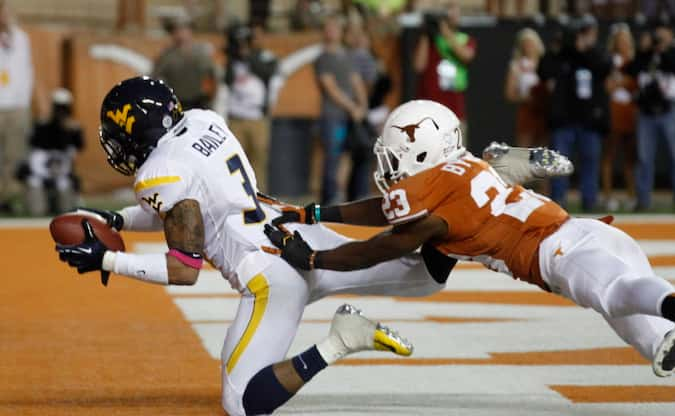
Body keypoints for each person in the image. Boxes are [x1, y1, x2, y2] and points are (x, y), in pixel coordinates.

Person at [264, 99, 675, 416]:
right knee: (650, 344)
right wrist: (315, 213)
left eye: (399, 154)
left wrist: (316, 261)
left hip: (560, 249)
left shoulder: (436, 197)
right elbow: (390, 219)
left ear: (426, 152)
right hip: (592, 238)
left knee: (616, 299)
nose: (390, 166)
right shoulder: (462, 171)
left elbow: (390, 241)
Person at [52, 77, 562, 416]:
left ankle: (339, 341)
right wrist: (115, 219)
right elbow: (185, 205)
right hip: (290, 228)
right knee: (421, 274)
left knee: (242, 402)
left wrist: (105, 258)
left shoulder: (157, 173)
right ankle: (489, 170)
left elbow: (184, 267)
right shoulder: (206, 122)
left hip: (270, 273)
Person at [538, 15, 610, 211]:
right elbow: (544, 70)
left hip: (589, 120)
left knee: (590, 162)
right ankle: (558, 202)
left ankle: (590, 201)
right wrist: (561, 47)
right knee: (559, 165)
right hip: (564, 120)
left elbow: (605, 67)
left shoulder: (595, 53)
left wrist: (587, 49)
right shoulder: (561, 55)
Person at [629, 20, 675, 212]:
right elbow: (633, 69)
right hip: (647, 112)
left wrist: (662, 48)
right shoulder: (648, 54)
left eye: (663, 33)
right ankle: (643, 200)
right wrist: (644, 50)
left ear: (671, 33)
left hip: (670, 109)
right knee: (644, 158)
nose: (659, 37)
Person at [315, 14, 370, 204]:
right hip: (334, 116)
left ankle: (352, 195)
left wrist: (362, 106)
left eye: (335, 28)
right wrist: (352, 106)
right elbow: (330, 88)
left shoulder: (348, 56)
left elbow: (357, 81)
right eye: (328, 28)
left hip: (351, 117)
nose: (331, 31)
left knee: (352, 155)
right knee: (333, 156)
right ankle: (331, 197)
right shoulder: (323, 58)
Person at [224, 23, 280, 194]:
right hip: (236, 117)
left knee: (258, 162)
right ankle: (235, 197)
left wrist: (248, 56)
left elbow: (266, 72)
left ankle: (260, 197)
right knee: (234, 162)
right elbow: (227, 80)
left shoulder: (266, 57)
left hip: (257, 117)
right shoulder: (233, 60)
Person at [413, 1, 476, 139]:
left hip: (453, 108)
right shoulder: (429, 40)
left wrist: (445, 31)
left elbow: (466, 55)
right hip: (428, 109)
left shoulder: (464, 39)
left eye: (454, 11)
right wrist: (425, 33)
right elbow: (419, 66)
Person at [23, 89, 83, 216]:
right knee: (37, 209)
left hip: (61, 173)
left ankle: (59, 204)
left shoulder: (73, 129)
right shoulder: (42, 126)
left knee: (66, 210)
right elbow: (34, 144)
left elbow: (78, 148)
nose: (61, 112)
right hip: (40, 172)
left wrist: (71, 132)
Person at [0, 0, 33, 213]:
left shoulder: (21, 38)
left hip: (17, 105)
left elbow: (27, 70)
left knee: (14, 155)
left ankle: (8, 198)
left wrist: (25, 100)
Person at [601, 23, 637, 212]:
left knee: (630, 157)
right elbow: (607, 86)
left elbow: (636, 85)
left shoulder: (634, 60)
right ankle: (608, 196)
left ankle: (632, 195)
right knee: (609, 155)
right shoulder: (609, 61)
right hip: (613, 112)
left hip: (630, 112)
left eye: (625, 40)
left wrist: (623, 82)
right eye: (619, 40)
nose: (623, 43)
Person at [152, 16, 216, 110]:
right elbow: (154, 78)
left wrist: (212, 100)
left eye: (183, 29)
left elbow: (215, 77)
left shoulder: (201, 54)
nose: (179, 34)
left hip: (200, 104)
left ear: (190, 31)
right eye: (175, 30)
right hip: (176, 105)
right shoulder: (166, 56)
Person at [504, 28, 547, 150]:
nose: (529, 47)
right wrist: (527, 98)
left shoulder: (545, 63)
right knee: (525, 150)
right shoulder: (516, 65)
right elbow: (509, 93)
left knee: (543, 152)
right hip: (527, 112)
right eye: (525, 44)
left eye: (531, 43)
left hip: (544, 111)